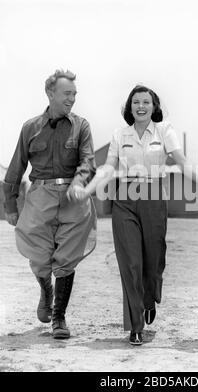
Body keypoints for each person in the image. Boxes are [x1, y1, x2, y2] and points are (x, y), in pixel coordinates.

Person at [73, 84, 198, 345]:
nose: (141, 107)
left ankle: (149, 297)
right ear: (129, 108)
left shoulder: (164, 130)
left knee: (153, 262)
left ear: (154, 106)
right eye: (136, 103)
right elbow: (108, 168)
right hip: (125, 199)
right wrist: (87, 190)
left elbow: (180, 160)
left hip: (154, 197)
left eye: (146, 102)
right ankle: (135, 325)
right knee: (130, 262)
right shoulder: (120, 134)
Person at [3, 69, 97, 339]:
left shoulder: (82, 126)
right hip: (40, 196)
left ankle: (59, 318)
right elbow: (15, 169)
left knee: (66, 260)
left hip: (73, 198)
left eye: (74, 94)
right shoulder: (30, 128)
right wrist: (10, 206)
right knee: (39, 257)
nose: (72, 99)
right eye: (67, 93)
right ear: (50, 93)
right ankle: (46, 290)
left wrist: (79, 183)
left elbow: (88, 161)